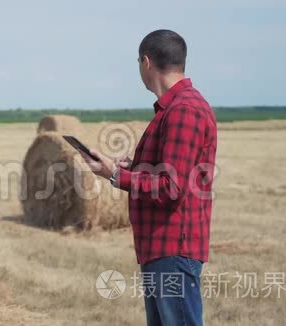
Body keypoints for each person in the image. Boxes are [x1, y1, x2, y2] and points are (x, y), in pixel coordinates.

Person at [80, 29, 217, 326]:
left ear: (146, 62)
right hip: (161, 248)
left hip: (173, 250)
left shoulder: (184, 110)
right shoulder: (175, 109)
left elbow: (171, 188)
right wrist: (135, 167)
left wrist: (116, 175)